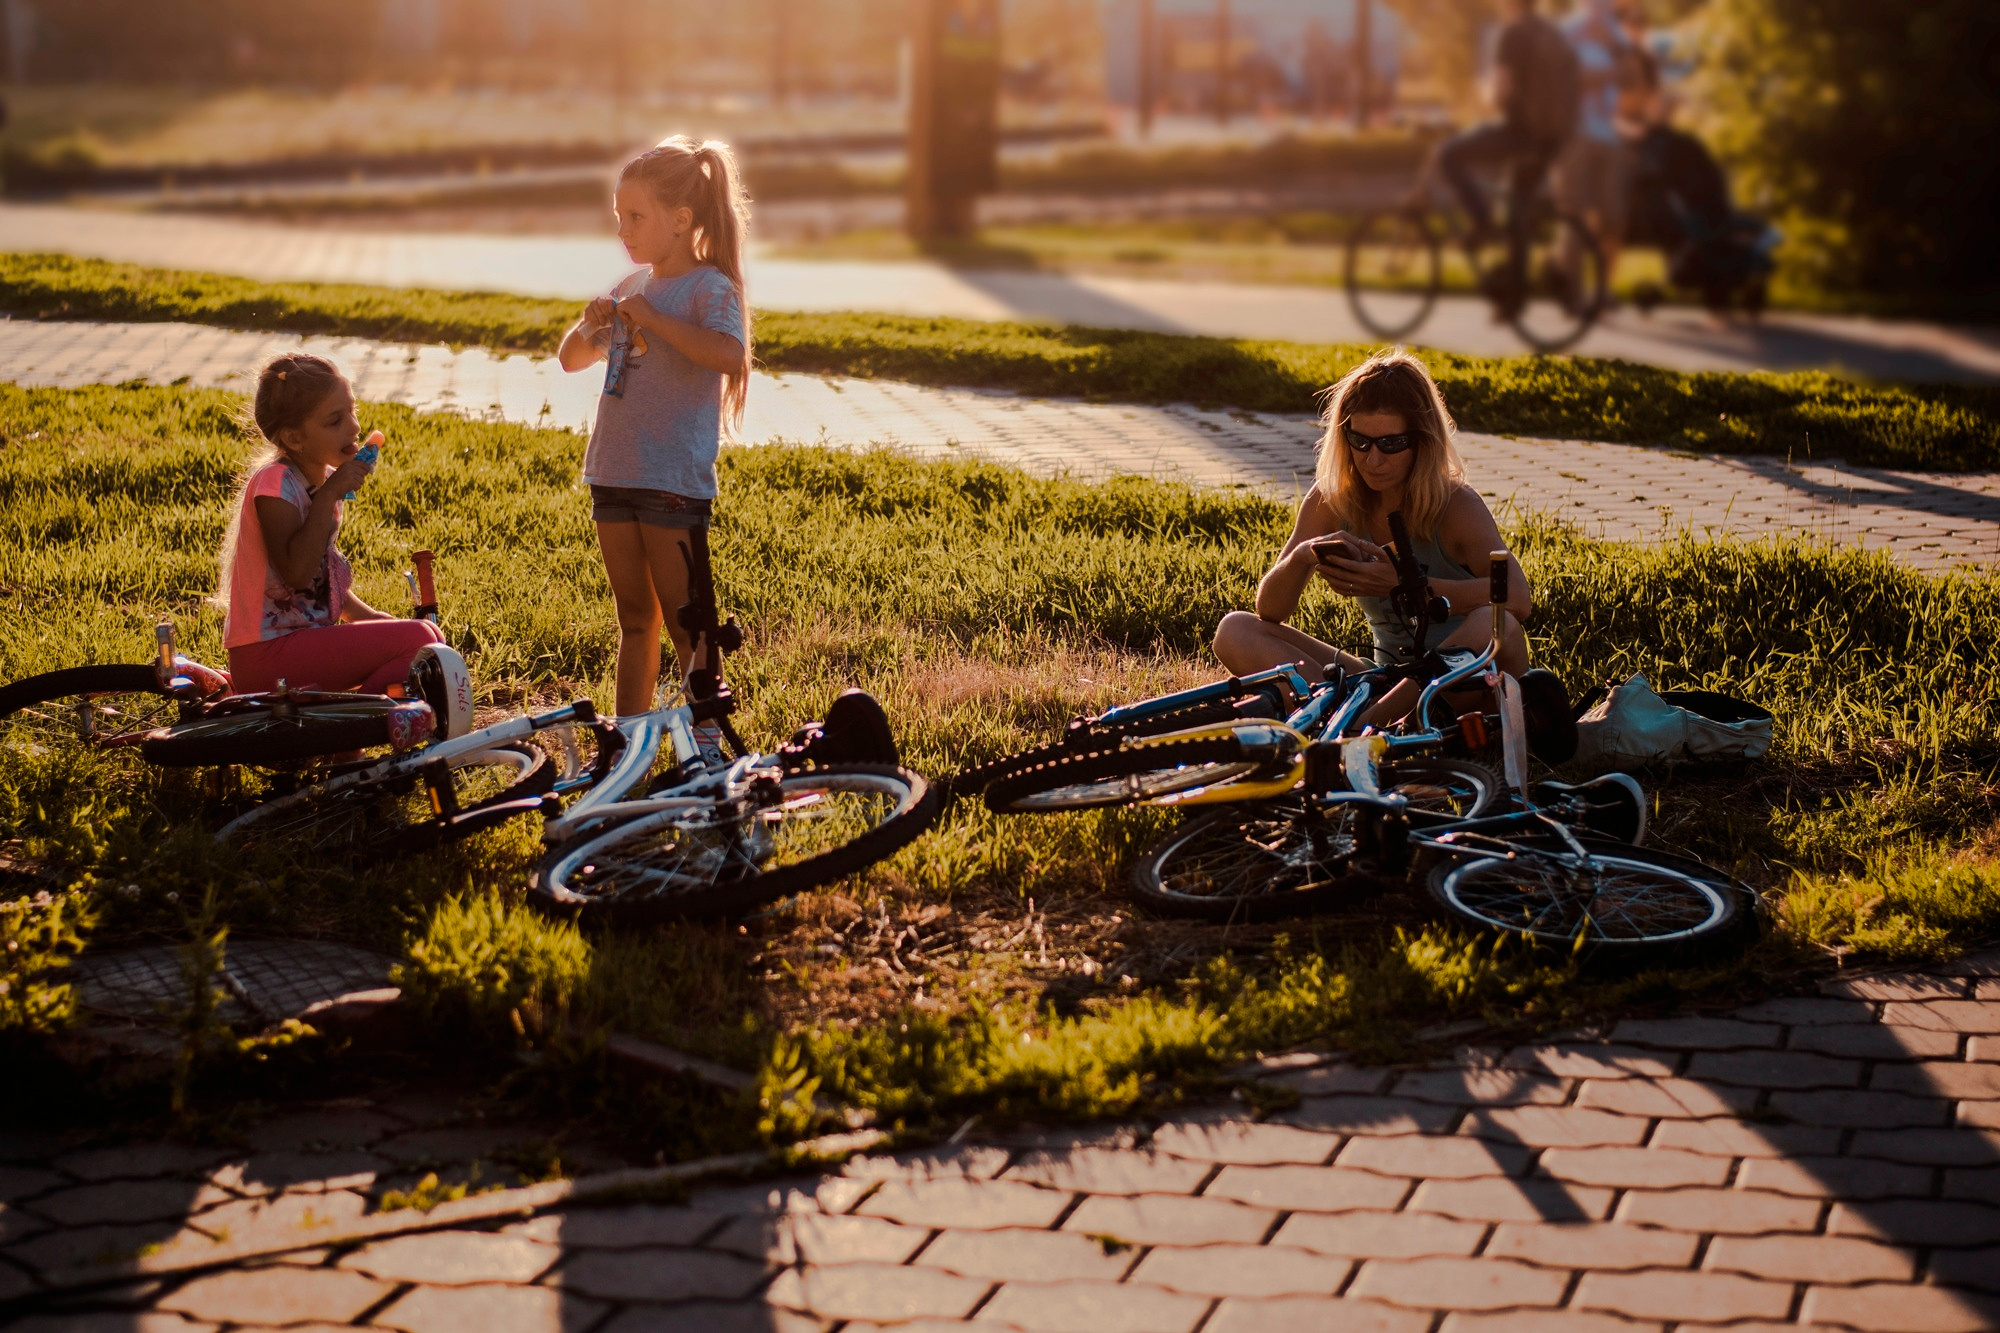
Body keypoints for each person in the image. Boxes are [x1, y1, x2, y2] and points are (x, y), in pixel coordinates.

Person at [1213, 351, 1532, 729]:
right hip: (1385, 679)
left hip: (1466, 684)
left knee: (1493, 622)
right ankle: (1354, 721)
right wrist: (1302, 559)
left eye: (1391, 444)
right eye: (1359, 441)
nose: (1372, 459)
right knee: (1235, 629)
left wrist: (1411, 586)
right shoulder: (1331, 499)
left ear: (1422, 443)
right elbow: (1270, 611)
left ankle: (1360, 724)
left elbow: (1517, 599)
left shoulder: (1457, 505)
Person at [558, 135, 751, 754]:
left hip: (671, 481)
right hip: (613, 473)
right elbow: (569, 360)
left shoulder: (707, 289)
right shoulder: (632, 285)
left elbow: (728, 354)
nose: (624, 231)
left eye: (635, 217)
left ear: (682, 220)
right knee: (634, 619)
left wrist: (655, 320)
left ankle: (707, 743)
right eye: (619, 218)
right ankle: (626, 745)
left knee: (687, 622)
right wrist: (597, 322)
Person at [217, 353, 444, 694]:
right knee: (420, 639)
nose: (354, 427)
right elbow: (296, 573)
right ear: (294, 439)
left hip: (301, 645)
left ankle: (346, 722)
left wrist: (373, 619)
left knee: (431, 639)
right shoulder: (275, 485)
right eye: (335, 420)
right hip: (265, 658)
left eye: (352, 410)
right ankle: (356, 732)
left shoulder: (322, 482)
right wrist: (330, 494)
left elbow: (319, 586)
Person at [1434, 0, 1581, 266]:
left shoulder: (1513, 34)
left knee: (1447, 154)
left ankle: (1481, 224)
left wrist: (1482, 95)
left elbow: (1501, 94)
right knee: (1517, 208)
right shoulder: (1552, 33)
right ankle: (1513, 295)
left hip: (1519, 132)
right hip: (1551, 138)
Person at [1554, 0, 1631, 289]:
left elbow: (1632, 77)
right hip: (1575, 133)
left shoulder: (1616, 35)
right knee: (1574, 214)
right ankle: (1571, 291)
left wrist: (1614, 49)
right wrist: (1609, 74)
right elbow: (1565, 80)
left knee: (1613, 218)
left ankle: (1603, 291)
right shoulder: (1567, 31)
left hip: (1608, 135)